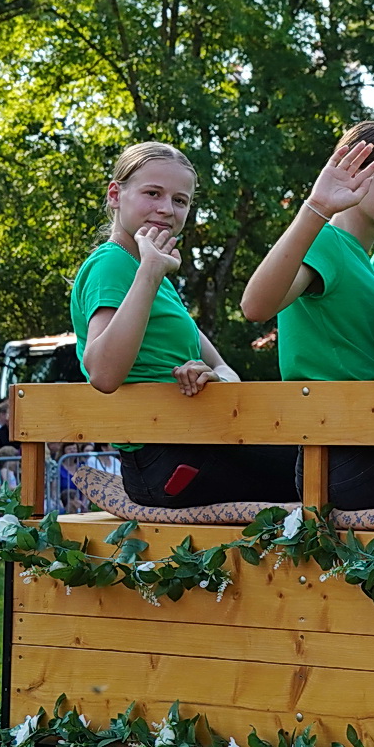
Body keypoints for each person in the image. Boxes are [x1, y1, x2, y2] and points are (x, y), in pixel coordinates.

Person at [73, 141, 296, 507]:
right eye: (152, 193)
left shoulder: (157, 277)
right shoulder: (115, 264)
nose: (166, 209)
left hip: (196, 440)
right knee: (325, 470)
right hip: (168, 460)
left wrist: (210, 377)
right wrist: (150, 270)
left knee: (325, 463)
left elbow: (225, 367)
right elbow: (102, 373)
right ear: (115, 195)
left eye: (180, 200)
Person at [241, 121, 374, 509]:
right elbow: (255, 306)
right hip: (348, 452)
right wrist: (317, 208)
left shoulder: (369, 266)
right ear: (355, 171)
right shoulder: (326, 241)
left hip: (373, 443)